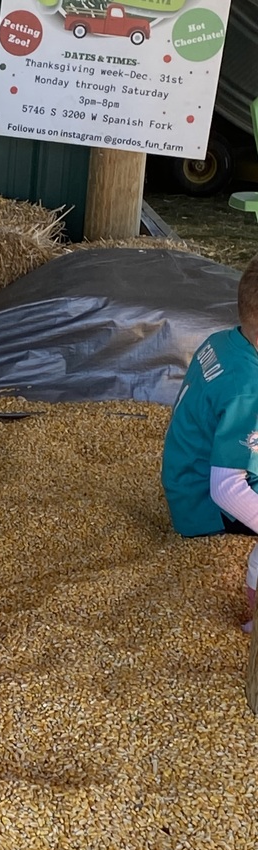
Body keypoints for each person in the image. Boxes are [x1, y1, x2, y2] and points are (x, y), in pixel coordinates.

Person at [161, 252, 258, 625]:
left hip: (186, 474)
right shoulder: (248, 391)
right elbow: (227, 490)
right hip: (204, 507)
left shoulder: (226, 340)